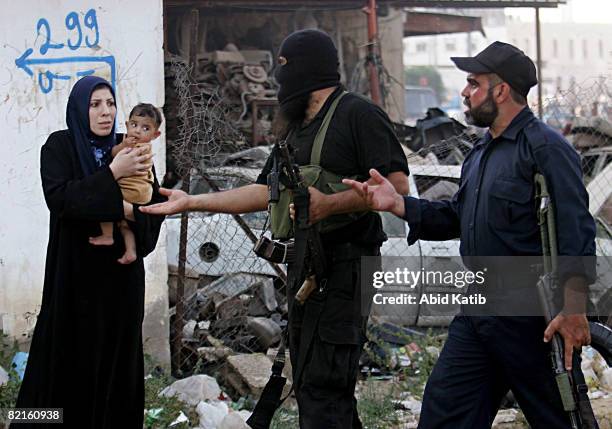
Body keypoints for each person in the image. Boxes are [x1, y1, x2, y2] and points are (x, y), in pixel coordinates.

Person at [141, 29, 410, 428]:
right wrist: (191, 202)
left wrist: (331, 204)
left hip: (348, 267)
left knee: (325, 384)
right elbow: (263, 191)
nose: (277, 79)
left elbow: (397, 184)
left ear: (308, 69)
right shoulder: (298, 127)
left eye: (283, 68)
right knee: (309, 381)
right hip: (307, 270)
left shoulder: (358, 114)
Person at [344, 41, 597, 428]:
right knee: (444, 414)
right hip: (479, 310)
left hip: (533, 319)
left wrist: (574, 309)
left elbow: (576, 230)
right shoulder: (481, 154)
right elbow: (456, 217)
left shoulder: (546, 148)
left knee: (559, 418)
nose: (464, 92)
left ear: (501, 90)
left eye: (473, 83)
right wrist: (398, 204)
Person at [15, 76, 166, 428]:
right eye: (95, 104)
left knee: (117, 372)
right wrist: (114, 174)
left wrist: (126, 210)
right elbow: (63, 201)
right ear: (79, 108)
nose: (105, 112)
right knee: (60, 368)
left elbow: (150, 208)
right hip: (74, 283)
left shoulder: (132, 145)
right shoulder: (60, 147)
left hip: (120, 286)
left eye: (110, 104)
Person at [89, 103, 162, 264]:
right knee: (124, 225)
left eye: (145, 128)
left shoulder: (139, 147)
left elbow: (114, 155)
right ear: (127, 125)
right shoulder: (134, 143)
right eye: (134, 125)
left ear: (155, 134)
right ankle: (130, 251)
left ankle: (107, 235)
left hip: (132, 189)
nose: (137, 131)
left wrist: (123, 146)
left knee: (103, 199)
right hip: (140, 193)